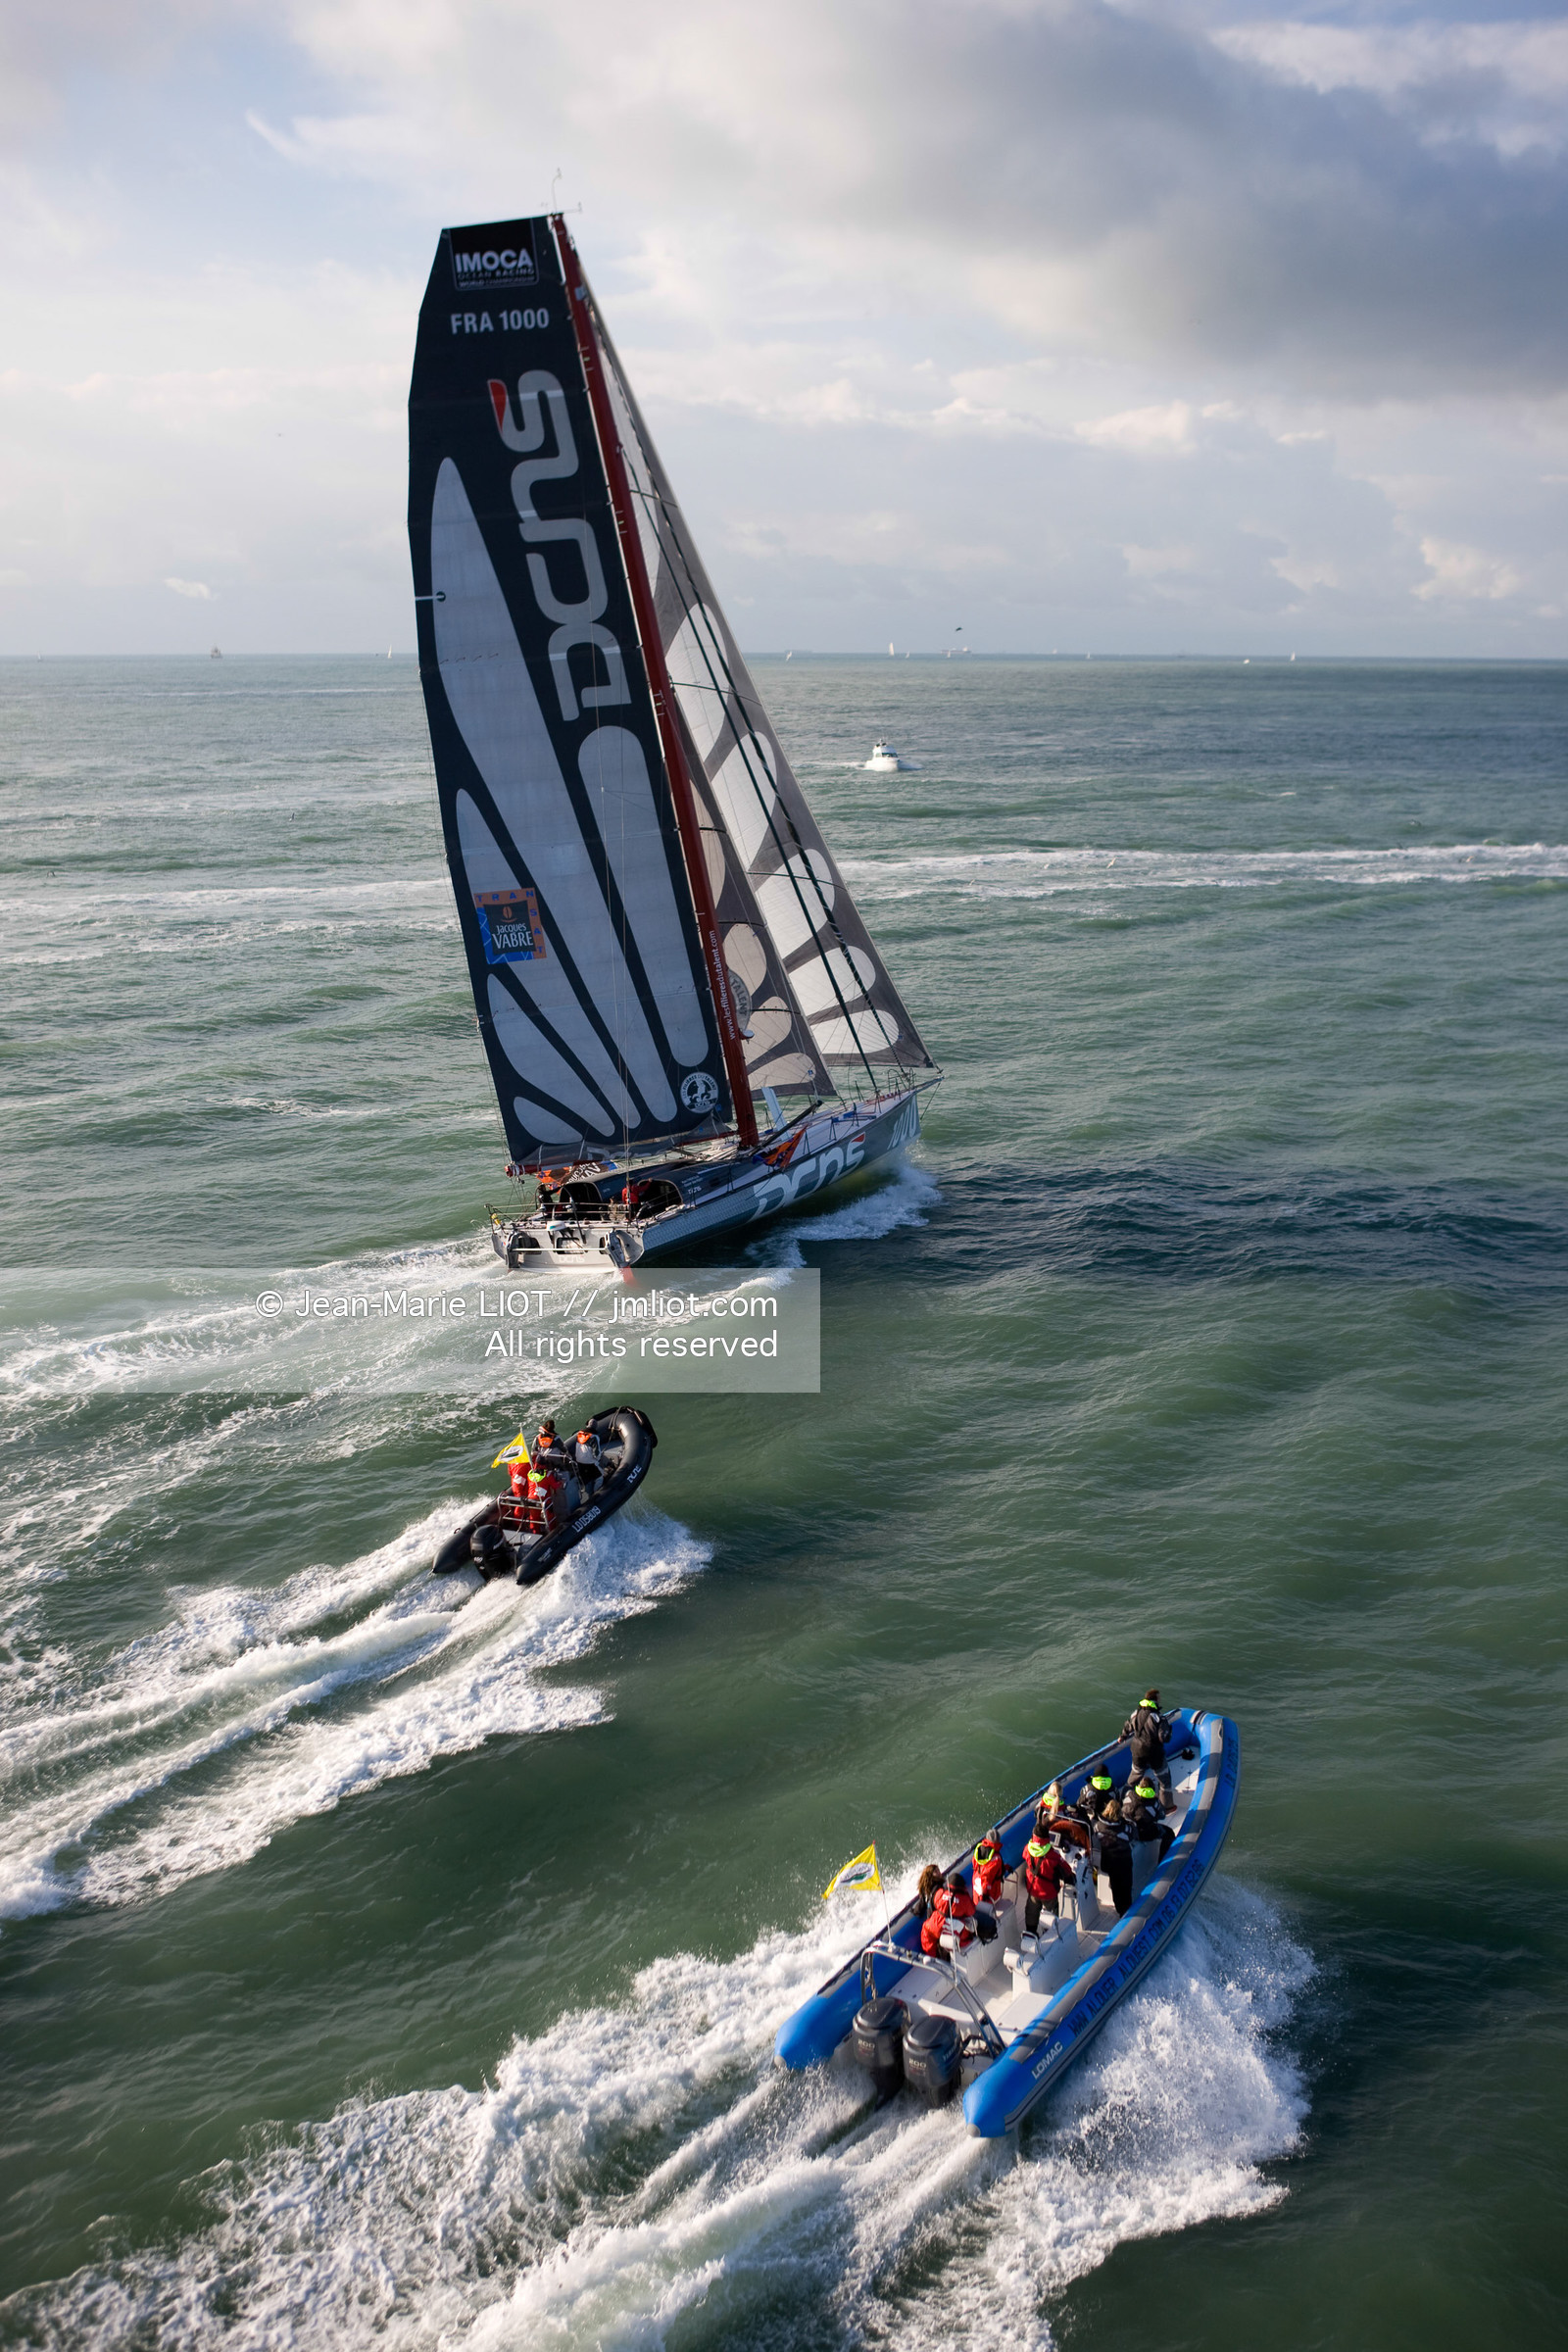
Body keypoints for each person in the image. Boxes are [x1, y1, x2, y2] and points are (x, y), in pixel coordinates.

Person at [1020, 1828, 1077, 1937]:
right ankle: (1049, 1933)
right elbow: (1066, 1870)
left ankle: (1031, 1933)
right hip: (1048, 1893)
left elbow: (1025, 1856)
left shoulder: (1027, 1849)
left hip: (1033, 1889)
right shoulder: (1053, 1856)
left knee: (1032, 1911)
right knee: (1051, 1912)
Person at [1122, 1689, 1175, 1802]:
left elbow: (1128, 1726)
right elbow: (1164, 1738)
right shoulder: (1159, 1718)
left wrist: (1122, 1736)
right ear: (1156, 1699)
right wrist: (1169, 1731)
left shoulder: (1135, 1713)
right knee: (1164, 1780)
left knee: (1134, 1778)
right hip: (1154, 1752)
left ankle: (1124, 1800)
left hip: (1137, 1750)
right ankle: (1167, 1805)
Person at [920, 1868, 978, 1957]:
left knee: (926, 1930)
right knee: (967, 1937)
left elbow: (935, 1904)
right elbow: (971, 1912)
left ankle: (932, 1956)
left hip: (937, 1923)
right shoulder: (965, 1900)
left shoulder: (940, 1893)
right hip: (955, 1928)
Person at [1095, 1796, 1134, 1917]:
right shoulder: (1125, 1828)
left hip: (1109, 1862)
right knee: (1126, 1888)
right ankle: (1126, 1912)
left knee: (1116, 1888)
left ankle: (1120, 1909)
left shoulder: (1098, 1826)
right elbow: (1132, 1835)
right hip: (1123, 1862)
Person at [1125, 1776, 1175, 1865]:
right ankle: (1163, 1862)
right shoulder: (1154, 1803)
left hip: (1130, 1832)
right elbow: (1162, 1816)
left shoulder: (1129, 1796)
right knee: (1169, 1833)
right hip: (1146, 1833)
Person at [972, 1832, 1004, 1907]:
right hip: (988, 1894)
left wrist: (1004, 1867)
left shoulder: (979, 1850)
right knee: (986, 1912)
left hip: (977, 1886)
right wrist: (984, 1894)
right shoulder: (996, 1859)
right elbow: (986, 1876)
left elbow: (980, 1867)